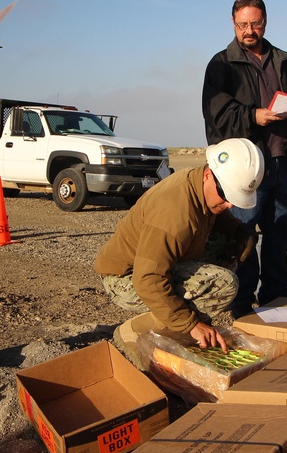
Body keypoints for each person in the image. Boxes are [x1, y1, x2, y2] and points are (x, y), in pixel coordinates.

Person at [202, 0, 287, 317]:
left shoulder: (285, 61)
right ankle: (241, 307)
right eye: (242, 25)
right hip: (243, 169)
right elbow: (217, 115)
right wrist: (254, 116)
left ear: (265, 22)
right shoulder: (221, 65)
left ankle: (275, 301)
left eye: (254, 24)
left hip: (281, 162)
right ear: (233, 23)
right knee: (241, 237)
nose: (249, 30)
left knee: (279, 233)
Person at [95, 138, 264, 363]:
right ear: (208, 175)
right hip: (125, 278)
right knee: (223, 283)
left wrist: (238, 231)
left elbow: (215, 214)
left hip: (149, 266)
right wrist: (191, 325)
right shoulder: (174, 213)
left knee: (227, 247)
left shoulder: (199, 183)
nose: (230, 204)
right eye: (226, 195)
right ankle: (136, 331)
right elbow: (148, 279)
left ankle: (177, 323)